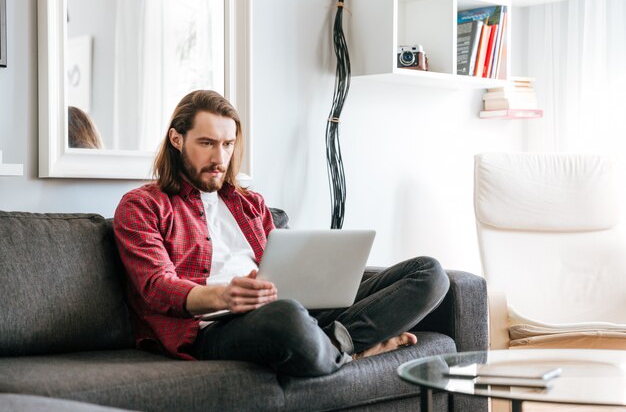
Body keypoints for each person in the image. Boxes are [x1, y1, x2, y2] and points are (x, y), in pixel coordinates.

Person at [113, 90, 450, 377]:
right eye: (206, 143)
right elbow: (157, 287)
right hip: (215, 327)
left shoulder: (250, 204)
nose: (220, 157)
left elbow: (286, 268)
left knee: (430, 274)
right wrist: (223, 296)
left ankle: (331, 346)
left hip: (290, 308)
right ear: (176, 139)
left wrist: (318, 279)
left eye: (228, 144)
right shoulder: (142, 206)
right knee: (287, 318)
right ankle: (351, 349)